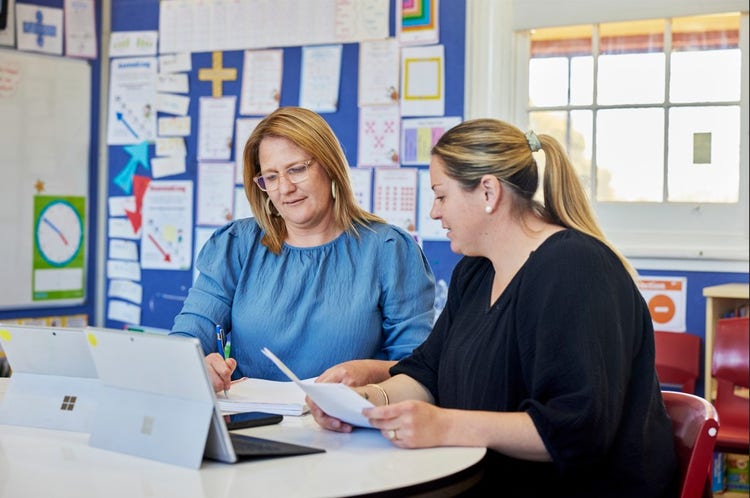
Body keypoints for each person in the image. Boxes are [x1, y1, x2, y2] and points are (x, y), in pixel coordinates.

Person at [309, 118, 678, 497]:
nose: (435, 213)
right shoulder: (476, 270)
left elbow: (577, 429)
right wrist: (365, 404)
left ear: (488, 192)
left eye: (441, 195)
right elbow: (427, 373)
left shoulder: (576, 268)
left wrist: (447, 425)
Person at [170, 107, 435, 393]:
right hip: (251, 430)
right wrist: (198, 362)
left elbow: (420, 371)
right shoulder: (237, 244)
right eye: (271, 177)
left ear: (330, 166)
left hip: (347, 430)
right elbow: (185, 339)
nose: (285, 188)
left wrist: (371, 372)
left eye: (296, 169)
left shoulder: (389, 250)